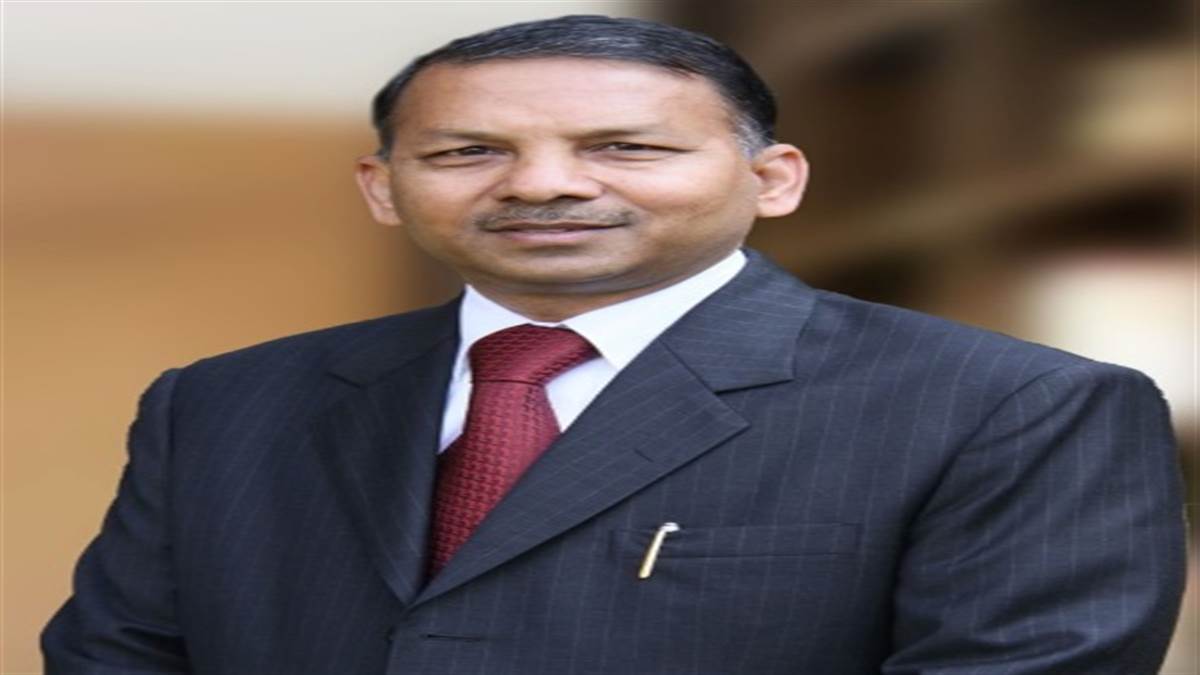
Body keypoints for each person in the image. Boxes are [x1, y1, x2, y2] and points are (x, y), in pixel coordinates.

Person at [43, 14, 1185, 675]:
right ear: (383, 188)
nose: (543, 185)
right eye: (466, 153)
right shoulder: (227, 401)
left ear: (773, 179)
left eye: (626, 147)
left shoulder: (1013, 407)